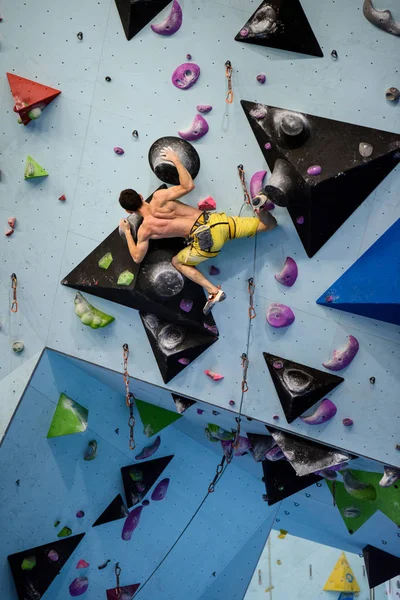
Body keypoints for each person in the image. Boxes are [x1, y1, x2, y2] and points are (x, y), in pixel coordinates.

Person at [119, 146, 277, 315]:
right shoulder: (160, 197)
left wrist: (128, 231)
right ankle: (260, 206)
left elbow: (137, 257)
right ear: (141, 196)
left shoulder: (145, 229)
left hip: (206, 241)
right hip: (217, 222)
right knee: (268, 226)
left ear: (129, 212)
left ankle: (213, 291)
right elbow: (188, 185)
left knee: (177, 262)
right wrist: (176, 160)